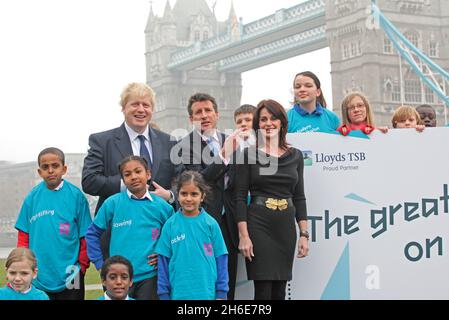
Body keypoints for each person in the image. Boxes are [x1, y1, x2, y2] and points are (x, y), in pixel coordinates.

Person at [82, 82, 181, 259]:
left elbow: (182, 179)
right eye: (135, 104)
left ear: (152, 109)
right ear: (123, 108)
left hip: (159, 240)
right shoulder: (102, 141)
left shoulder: (170, 142)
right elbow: (89, 181)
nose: (141, 109)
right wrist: (128, 184)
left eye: (146, 105)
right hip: (118, 238)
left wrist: (170, 195)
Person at [235, 99, 309, 300]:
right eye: (263, 119)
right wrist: (244, 235)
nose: (268, 123)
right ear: (257, 125)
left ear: (282, 122)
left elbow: (300, 197)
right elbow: (239, 197)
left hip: (285, 226)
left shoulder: (296, 156)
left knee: (279, 290)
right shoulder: (248, 154)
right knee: (263, 290)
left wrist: (304, 234)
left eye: (273, 118)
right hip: (258, 225)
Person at [176, 93, 240, 300]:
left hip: (231, 222)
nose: (203, 115)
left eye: (207, 110)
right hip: (202, 222)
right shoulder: (184, 146)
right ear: (191, 119)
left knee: (228, 281)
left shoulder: (232, 141)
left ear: (217, 114)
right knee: (204, 282)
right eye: (198, 112)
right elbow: (197, 182)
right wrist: (223, 156)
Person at [85, 155, 174, 300]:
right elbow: (92, 233)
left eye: (138, 171)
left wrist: (163, 254)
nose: (133, 177)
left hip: (150, 277)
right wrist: (99, 264)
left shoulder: (163, 207)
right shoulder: (112, 203)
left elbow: (173, 238)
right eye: (127, 174)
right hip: (120, 279)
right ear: (123, 179)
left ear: (148, 174)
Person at [15, 147, 92, 300]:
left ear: (64, 169)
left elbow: (86, 236)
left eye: (55, 166)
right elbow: (24, 236)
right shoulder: (32, 198)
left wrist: (82, 266)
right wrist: (23, 265)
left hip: (72, 273)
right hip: (39, 275)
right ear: (39, 172)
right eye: (45, 167)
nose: (50, 170)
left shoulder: (76, 196)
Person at [156, 170, 229, 300]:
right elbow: (163, 262)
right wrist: (164, 294)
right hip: (178, 294)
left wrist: (221, 293)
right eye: (184, 193)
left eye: (194, 194)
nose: (188, 198)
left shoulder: (211, 224)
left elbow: (221, 258)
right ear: (177, 195)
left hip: (207, 294)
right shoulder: (170, 225)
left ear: (202, 196)